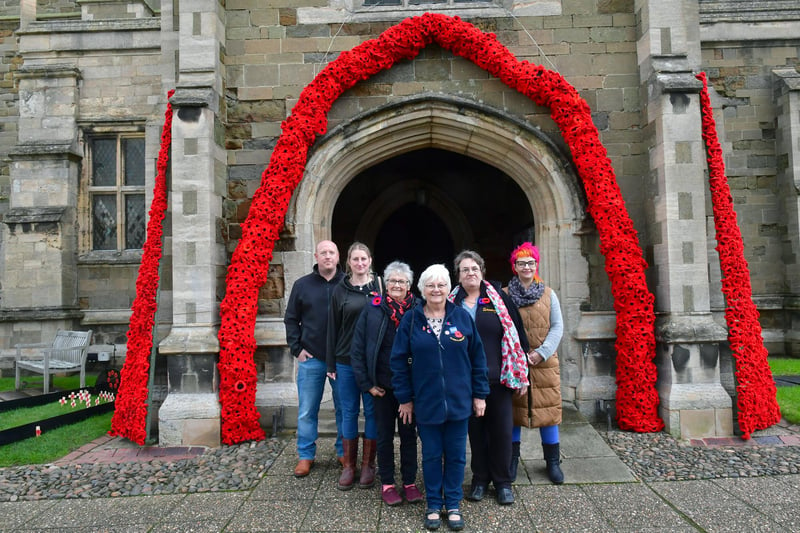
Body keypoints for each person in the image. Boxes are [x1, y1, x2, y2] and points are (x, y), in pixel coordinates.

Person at [391, 264, 489, 532]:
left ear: (449, 288)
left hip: (459, 402)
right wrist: (405, 398)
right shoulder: (411, 320)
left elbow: (478, 359)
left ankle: (453, 504)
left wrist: (479, 394)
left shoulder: (462, 318)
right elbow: (398, 362)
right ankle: (434, 504)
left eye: (441, 285)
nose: (436, 290)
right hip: (427, 403)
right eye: (431, 285)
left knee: (457, 456)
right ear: (422, 289)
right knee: (432, 455)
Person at [449, 250, 530, 506]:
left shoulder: (498, 298)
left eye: (474, 268)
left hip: (498, 379)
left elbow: (518, 335)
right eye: (465, 270)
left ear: (482, 271)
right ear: (458, 276)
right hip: (466, 381)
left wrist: (522, 375)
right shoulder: (452, 302)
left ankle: (503, 483)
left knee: (502, 433)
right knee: (476, 433)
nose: (470, 273)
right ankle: (480, 479)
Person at [351, 261, 422, 506]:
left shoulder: (419, 309)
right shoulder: (373, 309)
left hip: (409, 389)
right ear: (385, 283)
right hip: (380, 387)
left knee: (408, 436)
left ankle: (410, 482)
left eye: (402, 281)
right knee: (383, 437)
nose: (397, 285)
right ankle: (388, 483)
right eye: (392, 281)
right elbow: (358, 348)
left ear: (409, 285)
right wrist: (367, 384)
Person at [284, 240, 345, 477]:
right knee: (307, 410)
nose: (327, 257)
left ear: (338, 256)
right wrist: (296, 348)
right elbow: (291, 319)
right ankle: (306, 455)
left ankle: (343, 452)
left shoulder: (347, 284)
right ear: (316, 256)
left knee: (344, 408)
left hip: (341, 359)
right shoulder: (302, 285)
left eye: (331, 252)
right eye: (323, 253)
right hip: (312, 358)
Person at [506, 242, 565, 484]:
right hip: (515, 363)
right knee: (513, 413)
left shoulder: (549, 294)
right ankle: (511, 461)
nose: (527, 267)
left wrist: (542, 352)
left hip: (545, 362)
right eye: (521, 263)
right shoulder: (505, 295)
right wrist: (517, 355)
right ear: (515, 267)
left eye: (530, 262)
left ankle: (552, 462)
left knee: (548, 412)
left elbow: (557, 327)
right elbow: (504, 327)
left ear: (536, 265)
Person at [326, 242, 383, 490]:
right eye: (355, 259)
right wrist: (330, 363)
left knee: (372, 413)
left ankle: (369, 465)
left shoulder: (380, 286)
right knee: (348, 412)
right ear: (348, 262)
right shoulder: (341, 290)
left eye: (364, 259)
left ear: (370, 260)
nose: (360, 263)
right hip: (345, 362)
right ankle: (349, 466)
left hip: (372, 364)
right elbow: (332, 328)